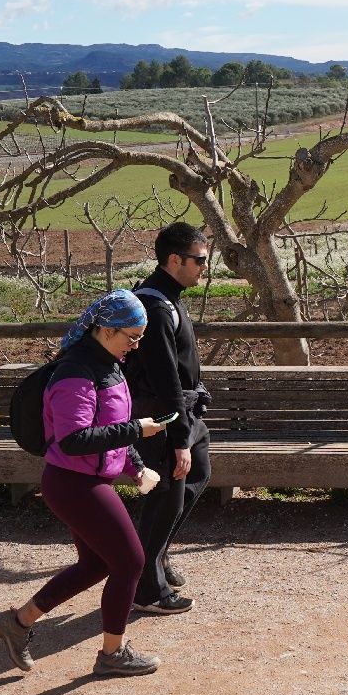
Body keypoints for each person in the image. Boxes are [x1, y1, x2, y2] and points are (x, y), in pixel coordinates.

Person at [0, 289, 167, 678]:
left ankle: (18, 622)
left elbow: (111, 427)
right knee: (131, 561)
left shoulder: (109, 365)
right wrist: (138, 430)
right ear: (106, 330)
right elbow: (74, 440)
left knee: (95, 565)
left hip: (82, 481)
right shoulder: (76, 371)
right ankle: (113, 654)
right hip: (74, 484)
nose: (136, 346)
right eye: (132, 337)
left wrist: (135, 466)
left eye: (140, 337)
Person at [126, 222, 212, 616]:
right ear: (174, 259)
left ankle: (155, 558)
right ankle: (146, 591)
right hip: (163, 420)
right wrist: (178, 439)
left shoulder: (170, 297)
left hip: (184, 414)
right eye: (199, 260)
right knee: (166, 501)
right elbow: (164, 380)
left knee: (195, 480)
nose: (204, 268)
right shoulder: (156, 307)